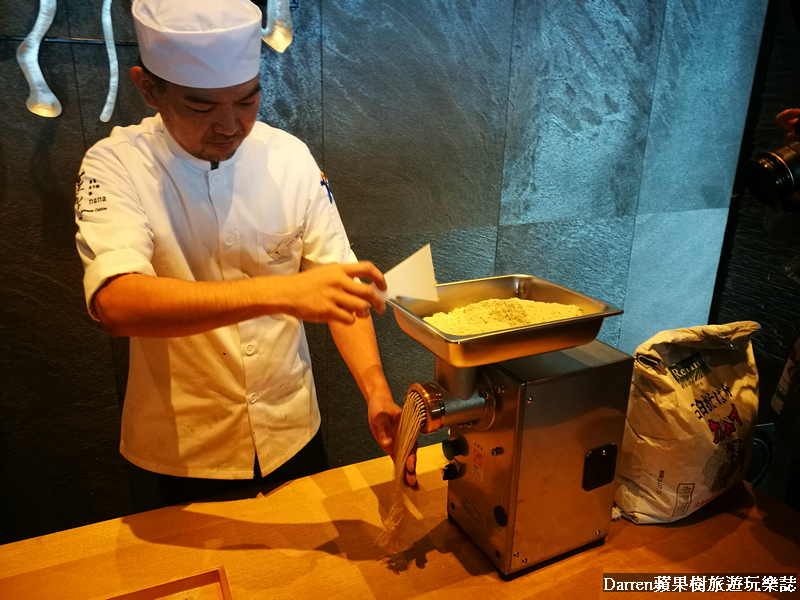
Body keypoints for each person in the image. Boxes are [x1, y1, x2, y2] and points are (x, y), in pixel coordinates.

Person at [74, 0, 415, 504]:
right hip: (181, 452)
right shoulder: (115, 164)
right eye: (201, 107)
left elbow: (339, 286)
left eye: (248, 101)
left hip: (293, 433)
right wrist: (282, 292)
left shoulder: (289, 157)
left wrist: (376, 390)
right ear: (149, 88)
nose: (231, 125)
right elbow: (116, 304)